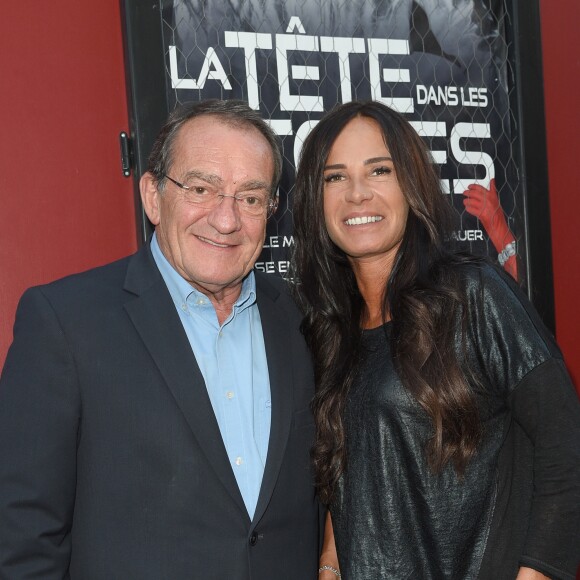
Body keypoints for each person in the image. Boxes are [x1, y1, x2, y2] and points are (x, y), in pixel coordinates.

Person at [0, 99, 321, 579]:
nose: (227, 219)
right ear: (153, 195)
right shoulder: (66, 322)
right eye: (201, 189)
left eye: (251, 198)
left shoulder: (304, 318)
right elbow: (24, 535)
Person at [291, 100, 580, 579]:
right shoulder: (326, 327)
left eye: (379, 170)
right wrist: (330, 556)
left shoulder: (473, 293)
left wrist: (537, 573)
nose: (357, 194)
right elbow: (350, 459)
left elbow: (565, 441)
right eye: (334, 177)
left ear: (411, 183)